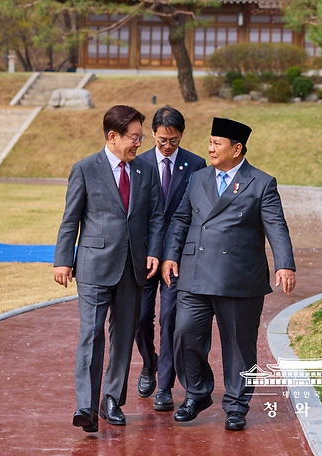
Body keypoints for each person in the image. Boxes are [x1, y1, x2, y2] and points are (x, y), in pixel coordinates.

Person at [162, 117, 296, 432]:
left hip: (238, 276)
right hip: (195, 272)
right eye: (210, 142)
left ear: (236, 149)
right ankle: (197, 393)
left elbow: (276, 225)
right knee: (184, 334)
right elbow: (181, 219)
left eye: (217, 143)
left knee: (238, 346)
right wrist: (170, 255)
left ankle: (236, 405)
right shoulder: (197, 178)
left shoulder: (261, 182)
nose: (210, 148)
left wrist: (285, 263)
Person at [53, 105, 164, 433]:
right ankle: (86, 405)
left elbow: (156, 217)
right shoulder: (85, 169)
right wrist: (63, 260)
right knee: (91, 332)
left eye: (141, 137)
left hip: (133, 267)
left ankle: (111, 399)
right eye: (134, 137)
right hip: (94, 265)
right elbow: (70, 219)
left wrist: (154, 252)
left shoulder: (146, 171)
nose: (138, 144)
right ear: (113, 136)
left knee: (123, 335)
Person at [134, 106, 207, 412]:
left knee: (170, 318)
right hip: (144, 255)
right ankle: (148, 363)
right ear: (153, 134)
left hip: (178, 256)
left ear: (182, 135)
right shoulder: (139, 163)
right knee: (139, 317)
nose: (167, 146)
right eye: (162, 140)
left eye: (174, 140)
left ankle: (165, 386)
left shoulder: (196, 164)